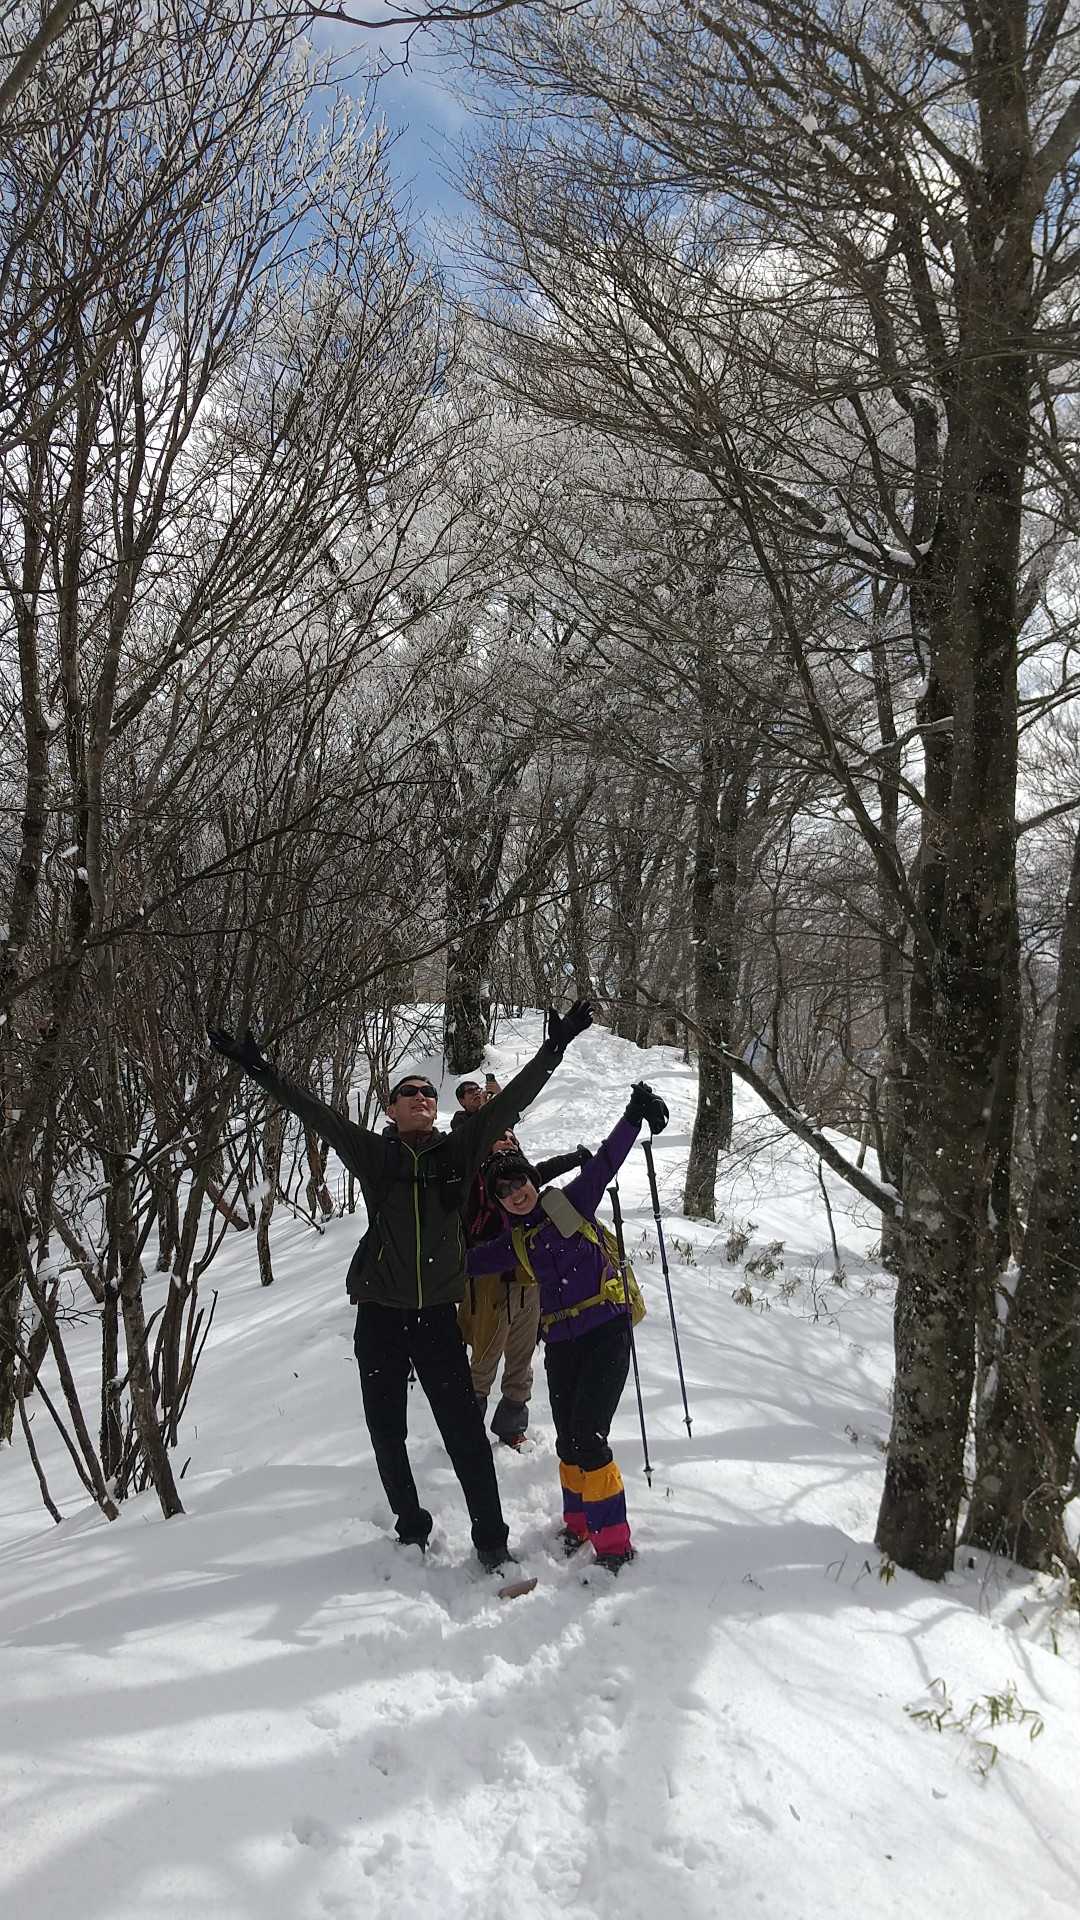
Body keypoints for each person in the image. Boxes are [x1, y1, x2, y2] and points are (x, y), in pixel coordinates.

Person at [206, 1004, 593, 1572]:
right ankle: (411, 1528)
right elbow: (314, 1112)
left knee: (464, 1432)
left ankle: (492, 1541)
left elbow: (510, 1103)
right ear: (390, 1109)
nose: (420, 1097)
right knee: (386, 1431)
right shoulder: (376, 1155)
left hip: (436, 1317)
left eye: (427, 1093)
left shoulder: (457, 1152)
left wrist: (552, 1049)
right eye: (408, 1093)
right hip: (380, 1316)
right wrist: (258, 1068)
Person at [465, 1081, 668, 1573]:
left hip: (605, 1331)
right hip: (559, 1343)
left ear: (531, 1180)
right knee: (567, 1439)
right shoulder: (515, 1242)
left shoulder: (570, 1204)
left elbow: (605, 1163)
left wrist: (634, 1113)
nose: (515, 1194)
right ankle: (578, 1523)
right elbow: (464, 1264)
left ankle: (614, 1545)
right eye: (503, 1191)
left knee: (589, 1437)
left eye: (519, 1183)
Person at [459, 1131, 592, 1449]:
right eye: (499, 1136)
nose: (507, 1140)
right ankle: (466, 1430)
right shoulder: (477, 1180)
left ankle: (512, 1426)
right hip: (489, 1280)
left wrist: (576, 1158)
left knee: (522, 1355)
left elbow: (544, 1170)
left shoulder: (521, 1178)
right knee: (485, 1356)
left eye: (511, 1137)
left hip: (528, 1279)